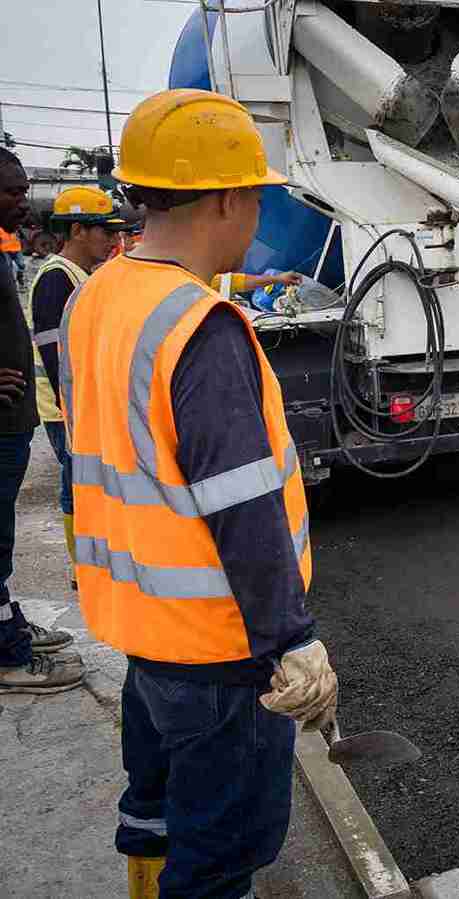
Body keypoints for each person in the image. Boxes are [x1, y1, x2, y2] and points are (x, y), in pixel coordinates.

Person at [58, 89, 337, 899]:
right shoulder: (201, 326)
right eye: (255, 195)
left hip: (142, 630)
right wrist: (292, 638)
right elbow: (244, 504)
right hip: (220, 653)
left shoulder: (98, 295)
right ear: (225, 197)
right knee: (218, 862)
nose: (255, 213)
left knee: (155, 809)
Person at [0, 148, 82, 694]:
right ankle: (9, 659)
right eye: (13, 190)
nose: (22, 200)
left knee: (1, 542)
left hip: (14, 424)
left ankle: (10, 626)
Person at [28, 186, 124, 589]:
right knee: (76, 486)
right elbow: (56, 357)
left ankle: (90, 560)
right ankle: (82, 568)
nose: (113, 240)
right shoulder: (56, 279)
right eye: (105, 231)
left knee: (86, 485)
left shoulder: (81, 276)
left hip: (80, 403)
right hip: (65, 406)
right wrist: (76, 408)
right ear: (79, 230)